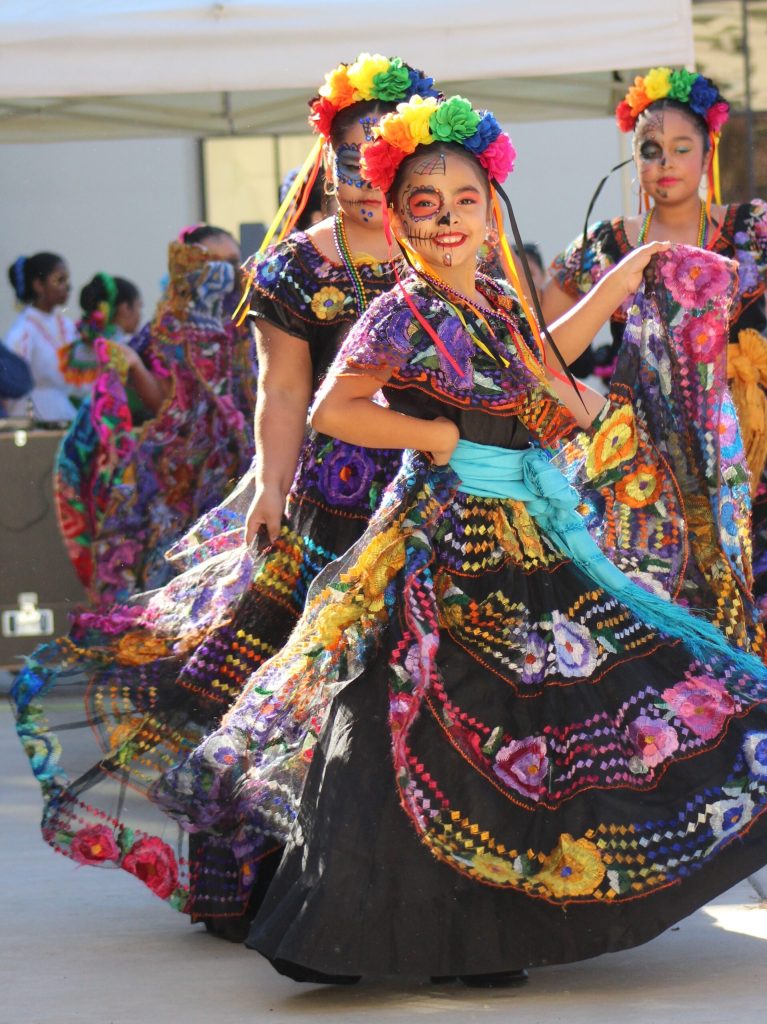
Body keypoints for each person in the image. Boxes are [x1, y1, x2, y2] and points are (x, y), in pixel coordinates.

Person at [143, 96, 767, 987]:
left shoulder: (495, 296)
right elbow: (336, 407)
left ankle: (495, 928)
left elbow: (543, 358)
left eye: (464, 201)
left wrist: (628, 275)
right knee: (437, 713)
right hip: (444, 539)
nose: (448, 219)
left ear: (490, 209)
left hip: (528, 526)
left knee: (546, 706)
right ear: (401, 215)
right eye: (426, 204)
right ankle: (397, 926)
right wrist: (436, 440)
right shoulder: (398, 313)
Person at [10, 55, 443, 940]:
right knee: (301, 688)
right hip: (330, 506)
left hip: (438, 500)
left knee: (434, 686)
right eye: (350, 146)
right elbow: (281, 395)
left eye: (383, 146)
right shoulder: (290, 268)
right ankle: (303, 881)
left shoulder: (449, 240)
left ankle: (444, 880)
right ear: (326, 154)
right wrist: (270, 487)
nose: (365, 164)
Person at [544, 66, 767, 725]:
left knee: (764, 577)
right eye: (650, 149)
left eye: (681, 147)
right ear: (634, 158)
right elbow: (546, 347)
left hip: (755, 443)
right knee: (667, 589)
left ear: (707, 152)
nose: (665, 163)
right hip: (649, 451)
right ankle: (693, 743)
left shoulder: (749, 228)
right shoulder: (605, 248)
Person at [51, 226, 256, 604]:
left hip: (243, 470)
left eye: (233, 261)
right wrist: (134, 367)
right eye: (216, 263)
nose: (229, 274)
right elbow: (164, 402)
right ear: (189, 266)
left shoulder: (249, 321)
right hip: (181, 481)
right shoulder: (167, 328)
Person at [5, 252, 82, 421]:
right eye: (59, 280)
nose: (67, 287)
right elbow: (12, 380)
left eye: (66, 281)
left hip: (62, 408)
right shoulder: (24, 330)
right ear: (38, 285)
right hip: (30, 413)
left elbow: (79, 377)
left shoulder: (66, 326)